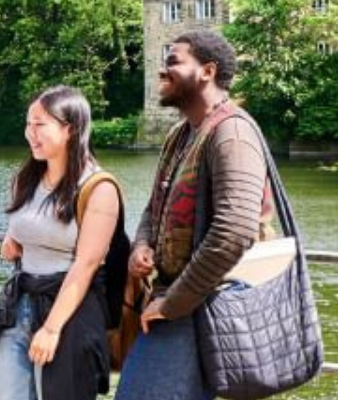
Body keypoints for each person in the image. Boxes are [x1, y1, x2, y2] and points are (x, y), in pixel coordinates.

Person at [116, 30, 277, 400]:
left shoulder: (233, 133)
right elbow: (155, 205)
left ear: (207, 71)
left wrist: (173, 304)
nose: (162, 70)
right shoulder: (181, 133)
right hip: (180, 306)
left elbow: (234, 232)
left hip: (201, 306)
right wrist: (142, 244)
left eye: (173, 61)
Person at [0, 86, 129, 400]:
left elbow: (87, 264)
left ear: (70, 129)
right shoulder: (25, 180)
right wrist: (14, 237)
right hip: (20, 305)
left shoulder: (98, 188)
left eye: (40, 124)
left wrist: (52, 329)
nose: (30, 133)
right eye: (28, 124)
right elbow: (27, 223)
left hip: (70, 312)